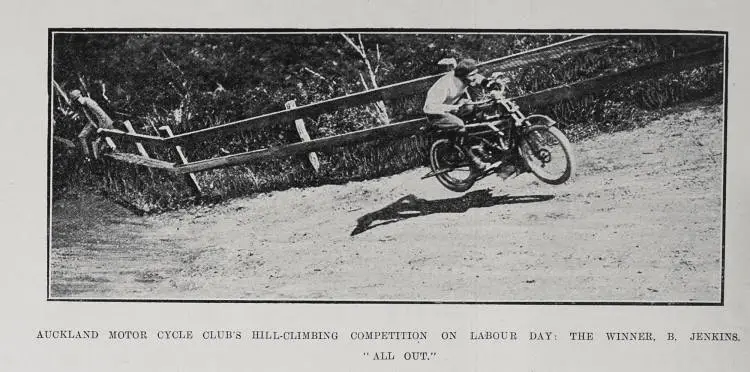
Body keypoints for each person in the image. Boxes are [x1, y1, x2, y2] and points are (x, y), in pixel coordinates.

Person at [423, 58, 490, 171]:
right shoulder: (445, 85)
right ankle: (472, 160)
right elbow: (431, 107)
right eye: (471, 75)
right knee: (459, 124)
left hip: (452, 105)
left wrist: (491, 85)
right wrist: (453, 108)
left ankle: (481, 147)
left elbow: (478, 78)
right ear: (463, 76)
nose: (475, 77)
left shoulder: (467, 77)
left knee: (478, 111)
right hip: (435, 112)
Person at [68, 89, 115, 160]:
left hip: (103, 123)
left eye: (78, 99)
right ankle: (87, 156)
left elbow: (101, 114)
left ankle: (93, 156)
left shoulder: (89, 102)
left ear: (81, 96)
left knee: (101, 139)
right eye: (76, 101)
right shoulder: (83, 104)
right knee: (81, 136)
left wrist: (101, 127)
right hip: (93, 123)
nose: (78, 101)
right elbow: (85, 114)